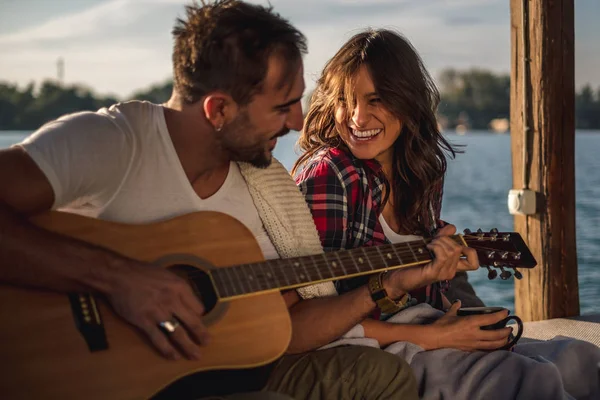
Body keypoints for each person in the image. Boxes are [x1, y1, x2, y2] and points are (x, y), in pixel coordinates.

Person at [0, 3, 419, 400]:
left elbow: (289, 328)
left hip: (218, 371)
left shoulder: (266, 186)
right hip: (88, 377)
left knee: (379, 375)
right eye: (282, 107)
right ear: (218, 109)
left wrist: (388, 285)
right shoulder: (111, 141)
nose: (297, 123)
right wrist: (118, 278)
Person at [293, 28, 600, 400]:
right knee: (525, 380)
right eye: (346, 99)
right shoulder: (331, 174)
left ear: (407, 102)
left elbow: (421, 295)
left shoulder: (422, 172)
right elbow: (318, 317)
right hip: (367, 349)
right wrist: (435, 335)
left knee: (578, 358)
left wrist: (444, 269)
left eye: (377, 100)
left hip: (425, 326)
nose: (358, 117)